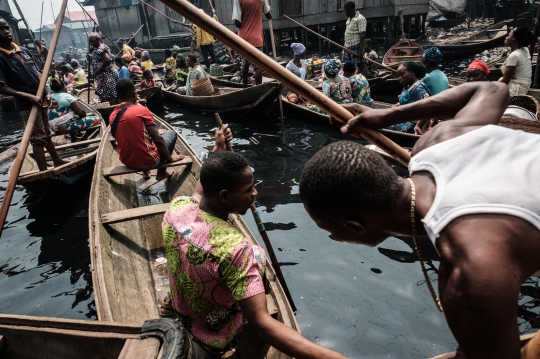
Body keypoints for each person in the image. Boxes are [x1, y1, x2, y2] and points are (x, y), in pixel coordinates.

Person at [300, 81, 540, 359]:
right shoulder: (436, 142)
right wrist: (388, 115)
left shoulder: (475, 272)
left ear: (355, 226)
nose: (336, 239)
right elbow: (491, 90)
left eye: (330, 230)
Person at [161, 147, 350, 359]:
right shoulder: (234, 249)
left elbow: (198, 192)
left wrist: (217, 150)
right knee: (257, 261)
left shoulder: (177, 208)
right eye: (248, 189)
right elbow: (262, 324)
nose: (255, 193)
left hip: (186, 312)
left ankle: (170, 303)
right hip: (213, 333)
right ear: (224, 196)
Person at [0, 19, 67, 171]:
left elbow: (38, 75)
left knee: (47, 133)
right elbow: (2, 87)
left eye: (7, 27)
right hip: (27, 103)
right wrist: (29, 97)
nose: (6, 31)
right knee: (38, 138)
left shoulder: (23, 50)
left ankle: (57, 160)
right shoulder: (1, 57)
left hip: (40, 98)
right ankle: (43, 171)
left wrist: (46, 93)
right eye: (1, 30)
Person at [110, 79, 183, 181]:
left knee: (138, 135)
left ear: (118, 95)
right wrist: (170, 158)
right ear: (134, 93)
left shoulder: (113, 115)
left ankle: (146, 173)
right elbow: (158, 140)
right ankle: (162, 172)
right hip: (150, 161)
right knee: (171, 133)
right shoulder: (142, 110)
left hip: (128, 162)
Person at [232, 0, 272, 88]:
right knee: (257, 66)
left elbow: (237, 23)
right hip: (257, 37)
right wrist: (269, 9)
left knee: (245, 64)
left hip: (244, 38)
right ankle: (258, 89)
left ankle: (245, 87)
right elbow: (269, 15)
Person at [390, 60, 430, 133]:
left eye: (402, 74)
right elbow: (406, 101)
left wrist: (418, 125)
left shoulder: (418, 87)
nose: (399, 78)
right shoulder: (408, 86)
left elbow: (428, 106)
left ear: (411, 72)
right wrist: (396, 105)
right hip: (404, 119)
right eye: (398, 75)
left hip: (410, 125)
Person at [500, 27, 534, 96]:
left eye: (508, 36)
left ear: (513, 39)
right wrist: (513, 30)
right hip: (524, 85)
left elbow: (505, 81)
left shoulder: (514, 55)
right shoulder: (525, 49)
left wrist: (490, 85)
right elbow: (521, 36)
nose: (506, 38)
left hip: (517, 89)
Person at [87, 32, 119, 105]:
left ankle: (114, 109)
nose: (92, 43)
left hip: (107, 74)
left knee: (111, 94)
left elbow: (107, 59)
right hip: (108, 73)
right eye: (90, 42)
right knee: (112, 92)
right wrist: (91, 57)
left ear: (98, 39)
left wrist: (99, 70)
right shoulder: (103, 47)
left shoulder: (99, 49)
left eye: (93, 41)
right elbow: (100, 59)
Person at [343, 1, 367, 76]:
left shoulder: (360, 18)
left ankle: (366, 81)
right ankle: (349, 80)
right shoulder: (349, 19)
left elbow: (362, 35)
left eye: (345, 10)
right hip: (347, 45)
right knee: (347, 66)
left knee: (361, 65)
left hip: (355, 45)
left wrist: (361, 50)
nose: (345, 13)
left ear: (349, 9)